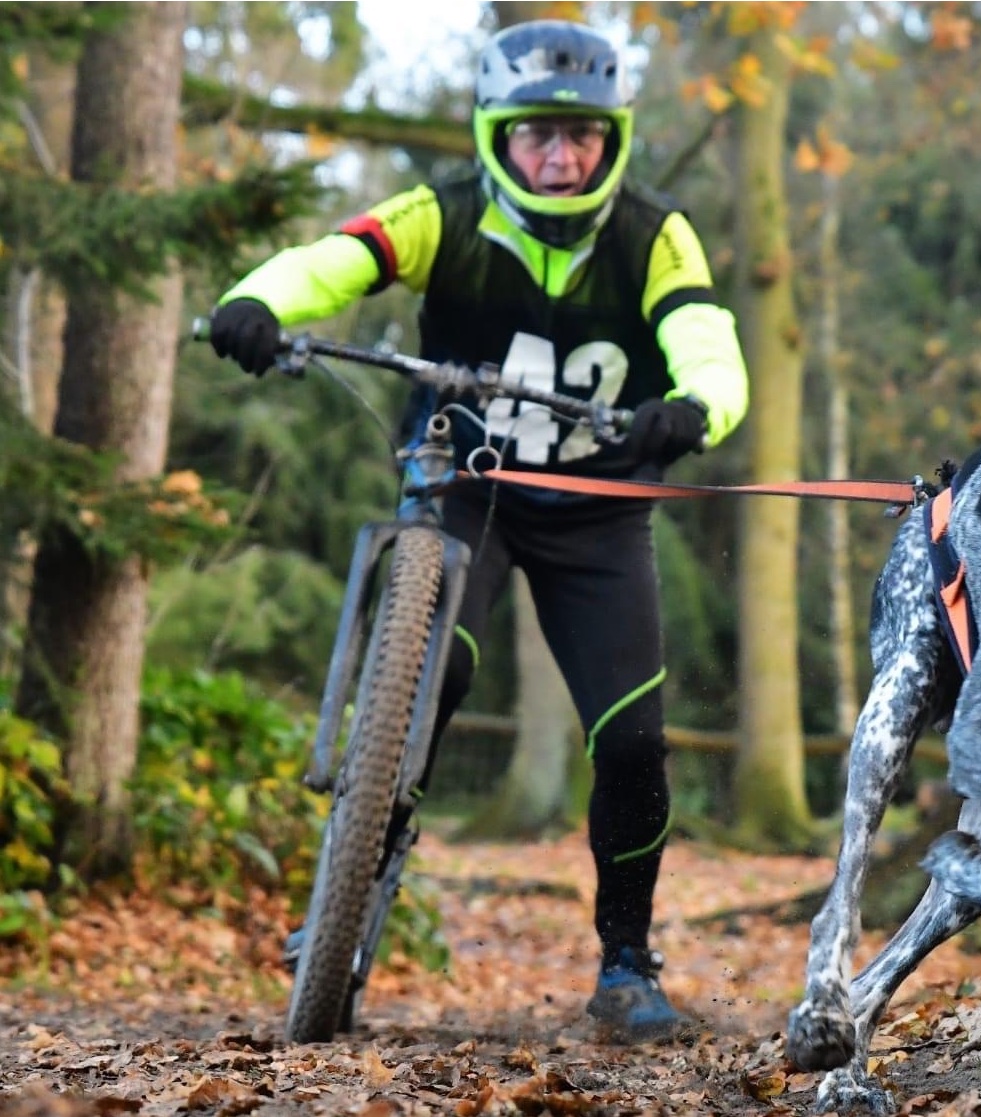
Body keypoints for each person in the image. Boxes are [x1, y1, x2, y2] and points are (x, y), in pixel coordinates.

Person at [205, 19, 747, 1042]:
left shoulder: (652, 235)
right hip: (464, 487)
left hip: (597, 510)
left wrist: (694, 408)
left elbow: (704, 340)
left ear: (610, 140)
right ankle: (351, 885)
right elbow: (334, 260)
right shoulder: (438, 215)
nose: (560, 155)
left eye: (581, 136)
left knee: (632, 738)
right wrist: (256, 300)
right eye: (537, 134)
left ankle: (626, 959)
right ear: (498, 136)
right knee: (427, 677)